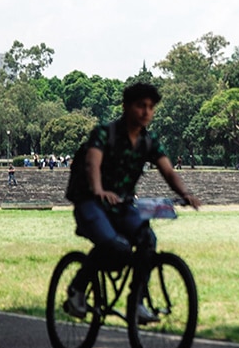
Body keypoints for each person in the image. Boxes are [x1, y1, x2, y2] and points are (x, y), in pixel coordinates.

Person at [63, 82, 201, 319]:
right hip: (91, 201)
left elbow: (168, 171)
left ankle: (136, 302)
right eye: (140, 106)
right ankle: (77, 289)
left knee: (147, 240)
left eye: (150, 107)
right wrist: (98, 190)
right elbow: (92, 162)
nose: (146, 111)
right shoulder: (105, 133)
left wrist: (185, 193)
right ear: (126, 107)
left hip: (121, 204)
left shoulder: (149, 141)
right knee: (115, 246)